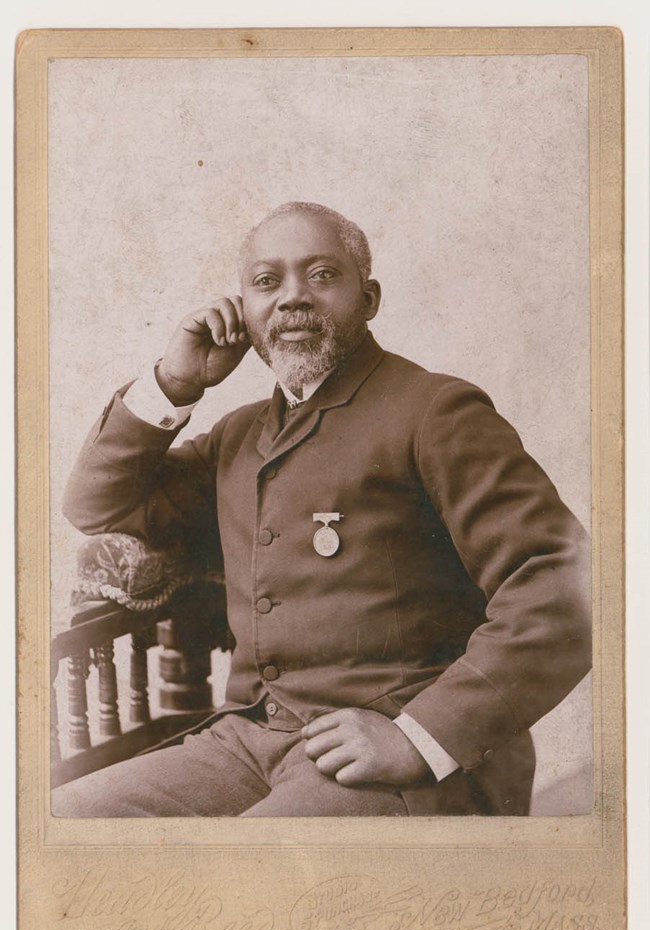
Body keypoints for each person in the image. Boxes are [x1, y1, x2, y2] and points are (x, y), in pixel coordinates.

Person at [53, 201, 591, 818]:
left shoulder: (436, 412)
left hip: (404, 751)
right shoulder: (239, 435)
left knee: (248, 876)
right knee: (66, 827)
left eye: (321, 275)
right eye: (266, 283)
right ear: (245, 314)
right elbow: (94, 505)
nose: (292, 299)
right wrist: (175, 383)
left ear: (369, 299)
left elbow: (566, 583)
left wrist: (418, 737)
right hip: (251, 740)